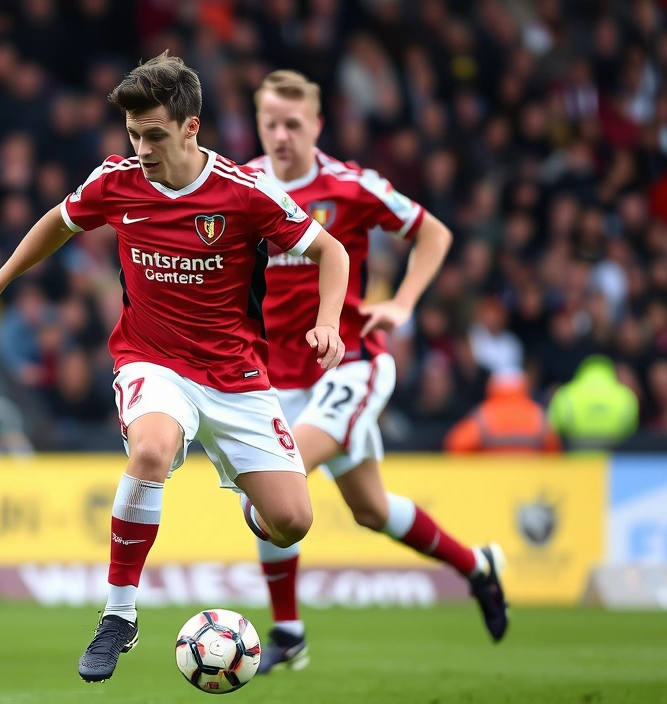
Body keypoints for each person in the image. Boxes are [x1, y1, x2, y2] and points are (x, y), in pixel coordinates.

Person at [0, 53, 350, 684]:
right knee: (151, 450)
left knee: (291, 523)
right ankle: (119, 615)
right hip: (152, 359)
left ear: (191, 127)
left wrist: (328, 322)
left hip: (236, 375)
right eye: (134, 134)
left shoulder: (245, 192)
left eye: (154, 135)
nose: (141, 149)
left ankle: (254, 506)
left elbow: (332, 251)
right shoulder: (117, 180)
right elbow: (59, 221)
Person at [243, 70, 508, 673]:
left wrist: (404, 303)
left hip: (349, 363)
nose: (281, 136)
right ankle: (477, 566)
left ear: (317, 125)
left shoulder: (351, 186)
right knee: (372, 510)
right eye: (270, 123)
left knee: (277, 480)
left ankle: (286, 630)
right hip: (275, 374)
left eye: (292, 124)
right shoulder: (245, 185)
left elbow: (433, 233)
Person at [445, 370, 562, 453]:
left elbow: (455, 445)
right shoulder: (538, 415)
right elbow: (555, 450)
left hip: (491, 478)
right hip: (530, 479)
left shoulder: (484, 415)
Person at [547, 354, 639, 449]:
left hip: (574, 452)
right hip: (616, 452)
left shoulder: (566, 393)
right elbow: (632, 426)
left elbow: (553, 426)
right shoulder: (625, 394)